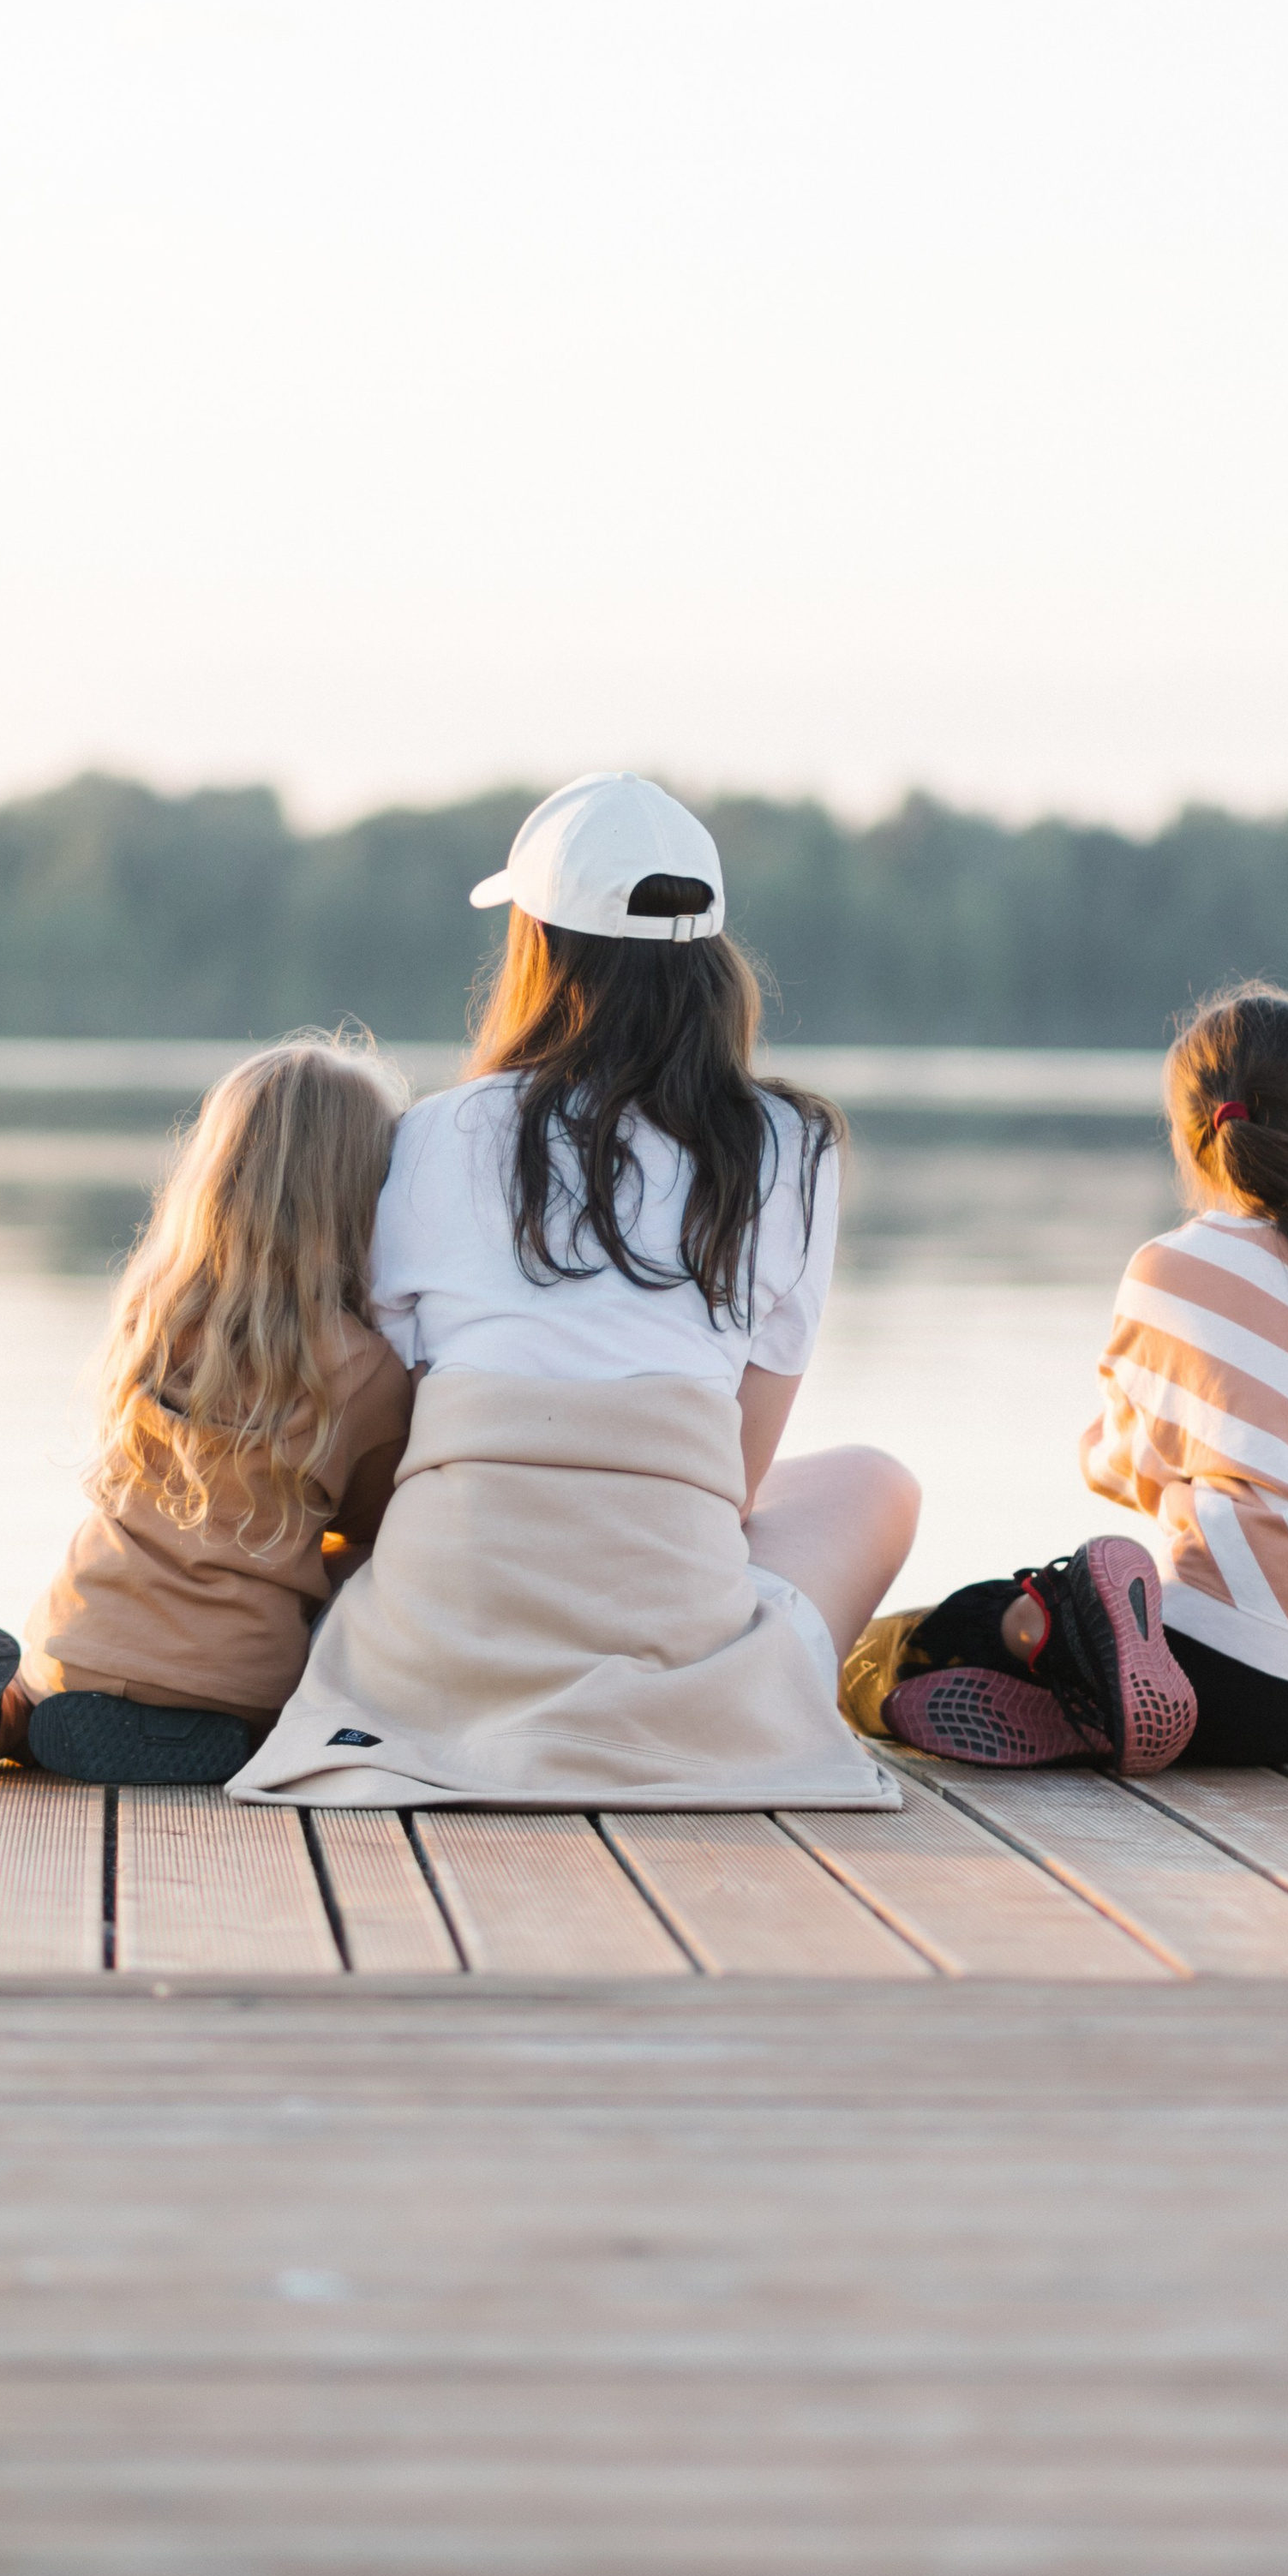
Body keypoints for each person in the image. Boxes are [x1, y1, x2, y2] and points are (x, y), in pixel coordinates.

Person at [229, 773, 916, 1812]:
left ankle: (482, 1688)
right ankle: (743, 1696)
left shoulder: (435, 1132)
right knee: (874, 1485)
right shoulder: (791, 1148)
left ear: (538, 946)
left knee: (403, 1532)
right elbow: (733, 1477)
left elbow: (398, 1416)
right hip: (667, 1598)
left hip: (443, 1648)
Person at [856, 985, 1288, 1773]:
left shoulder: (1174, 1268)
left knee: (971, 1624)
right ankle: (1090, 1682)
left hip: (1217, 1664)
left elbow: (1123, 1466)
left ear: (1200, 1144)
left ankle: (968, 1655)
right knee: (1127, 1626)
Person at [0, 1035, 413, 1787]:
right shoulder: (363, 1370)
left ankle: (7, 1720)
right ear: (364, 1196)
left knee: (46, 1703)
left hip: (85, 1644)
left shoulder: (153, 1316)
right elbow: (376, 1524)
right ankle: (211, 1732)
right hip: (241, 1681)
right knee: (361, 1577)